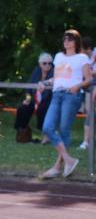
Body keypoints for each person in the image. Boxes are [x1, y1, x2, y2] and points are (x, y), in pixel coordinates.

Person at [41, 29, 92, 177]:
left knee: (64, 130)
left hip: (71, 95)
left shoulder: (82, 57)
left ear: (76, 41)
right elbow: (57, 77)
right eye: (64, 39)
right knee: (47, 127)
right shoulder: (58, 56)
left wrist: (77, 86)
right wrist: (45, 82)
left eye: (69, 39)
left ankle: (57, 167)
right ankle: (68, 160)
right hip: (57, 94)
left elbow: (88, 79)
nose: (66, 41)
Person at [14, 53, 54, 143]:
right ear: (40, 64)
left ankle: (44, 134)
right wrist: (28, 99)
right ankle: (22, 130)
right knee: (23, 108)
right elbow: (29, 89)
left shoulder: (53, 72)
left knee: (43, 109)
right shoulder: (36, 71)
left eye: (49, 63)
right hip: (34, 100)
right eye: (44, 63)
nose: (47, 65)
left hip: (47, 101)